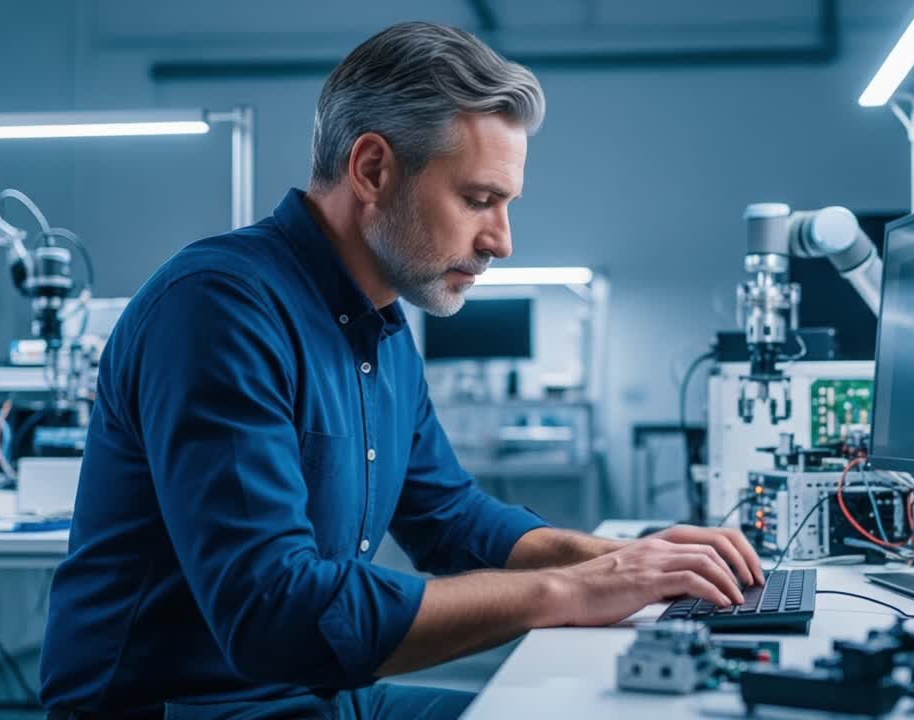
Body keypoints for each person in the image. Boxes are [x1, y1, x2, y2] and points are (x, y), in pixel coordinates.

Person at [39, 21, 762, 720]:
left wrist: (623, 561)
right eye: (479, 200)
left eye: (506, 205)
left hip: (315, 698)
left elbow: (449, 516)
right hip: (187, 709)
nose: (501, 241)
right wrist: (568, 590)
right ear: (373, 169)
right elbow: (275, 613)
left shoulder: (381, 327)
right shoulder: (219, 308)